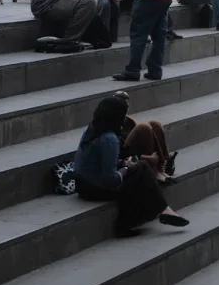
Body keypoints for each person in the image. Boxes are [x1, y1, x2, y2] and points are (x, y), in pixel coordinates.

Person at [73, 97, 188, 238]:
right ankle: (156, 212)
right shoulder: (109, 139)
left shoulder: (92, 129)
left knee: (140, 169)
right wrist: (126, 169)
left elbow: (99, 163)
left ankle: (163, 210)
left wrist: (123, 163)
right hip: (94, 189)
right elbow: (111, 180)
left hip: (82, 184)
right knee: (141, 170)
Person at [112, 91, 176, 176]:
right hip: (126, 157)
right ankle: (158, 169)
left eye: (127, 107)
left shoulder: (129, 121)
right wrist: (145, 157)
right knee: (143, 127)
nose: (125, 110)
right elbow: (120, 153)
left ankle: (163, 164)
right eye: (121, 106)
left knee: (155, 124)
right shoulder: (110, 125)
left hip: (134, 152)